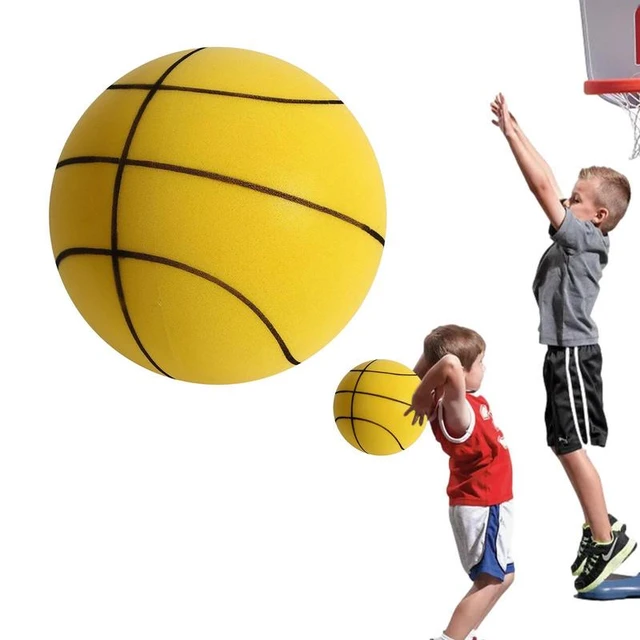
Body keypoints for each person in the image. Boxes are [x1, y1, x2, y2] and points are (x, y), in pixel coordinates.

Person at [491, 92, 635, 593]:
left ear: (597, 216)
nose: (567, 203)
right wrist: (518, 127)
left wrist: (511, 134)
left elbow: (542, 183)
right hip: (563, 354)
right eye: (571, 198)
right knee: (563, 445)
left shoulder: (584, 238)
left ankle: (607, 537)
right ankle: (602, 528)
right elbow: (552, 181)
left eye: (577, 200)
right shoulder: (577, 236)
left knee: (570, 447)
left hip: (573, 354)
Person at [406, 324, 513, 640]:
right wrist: (419, 393)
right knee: (491, 580)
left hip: (489, 502)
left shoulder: (457, 399)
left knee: (505, 576)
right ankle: (450, 638)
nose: (484, 368)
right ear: (462, 372)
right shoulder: (456, 410)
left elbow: (443, 364)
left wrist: (427, 368)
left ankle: (464, 632)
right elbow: (450, 364)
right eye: (479, 362)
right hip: (483, 505)